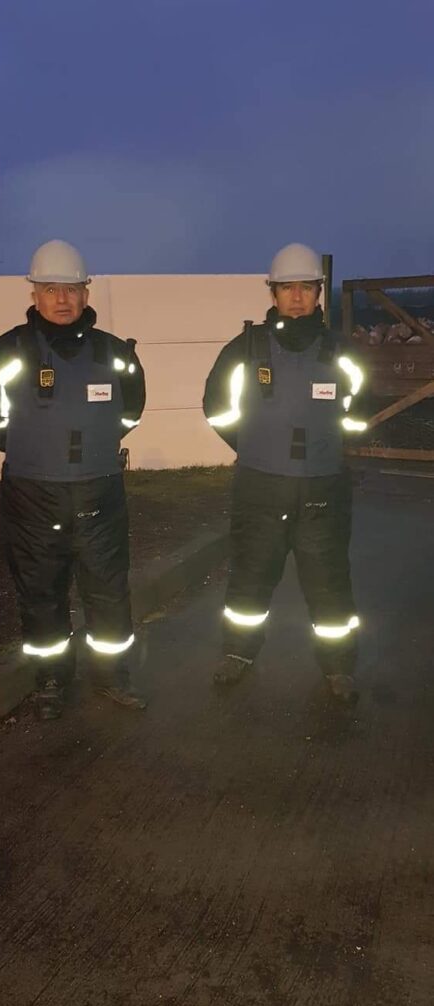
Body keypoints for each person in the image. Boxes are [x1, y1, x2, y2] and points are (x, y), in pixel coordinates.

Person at [0, 240, 146, 720]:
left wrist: (92, 446)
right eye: (50, 290)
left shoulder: (115, 353)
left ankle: (112, 677)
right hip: (32, 495)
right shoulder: (6, 352)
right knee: (40, 590)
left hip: (99, 491)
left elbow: (130, 411)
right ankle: (51, 680)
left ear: (86, 293)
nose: (62, 300)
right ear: (35, 294)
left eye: (71, 290)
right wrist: (31, 449)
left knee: (107, 590)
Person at [203, 243, 368, 703]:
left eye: (306, 288)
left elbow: (360, 412)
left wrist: (327, 446)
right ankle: (238, 653)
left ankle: (338, 668)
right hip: (259, 487)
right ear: (272, 292)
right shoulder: (245, 349)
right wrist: (253, 446)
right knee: (250, 576)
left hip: (323, 487)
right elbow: (216, 408)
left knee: (329, 583)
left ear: (319, 293)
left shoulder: (340, 352)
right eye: (287, 288)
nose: (297, 297)